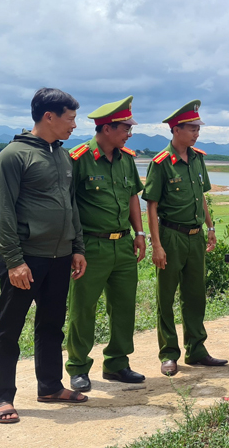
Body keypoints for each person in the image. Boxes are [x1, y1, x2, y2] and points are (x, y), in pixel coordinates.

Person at [0, 88, 88, 424]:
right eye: (70, 118)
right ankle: (1, 396)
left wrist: (77, 248)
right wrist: (14, 260)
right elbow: (3, 211)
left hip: (60, 257)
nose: (74, 125)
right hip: (26, 259)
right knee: (9, 327)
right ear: (49, 116)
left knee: (51, 324)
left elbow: (72, 206)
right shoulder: (13, 156)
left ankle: (49, 386)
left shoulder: (63, 155)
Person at [65, 96, 146, 392]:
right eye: (126, 128)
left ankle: (117, 363)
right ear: (107, 128)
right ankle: (77, 367)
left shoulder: (126, 159)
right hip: (90, 247)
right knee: (83, 308)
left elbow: (132, 197)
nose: (129, 133)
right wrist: (75, 248)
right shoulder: (78, 158)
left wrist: (140, 234)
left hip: (123, 245)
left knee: (124, 306)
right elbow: (68, 205)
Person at [142, 99, 227, 377]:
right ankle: (168, 354)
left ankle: (197, 350)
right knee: (166, 297)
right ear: (176, 129)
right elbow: (151, 205)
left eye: (198, 129)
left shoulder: (198, 158)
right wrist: (156, 244)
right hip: (171, 236)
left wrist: (210, 228)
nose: (196, 133)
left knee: (195, 295)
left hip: (195, 236)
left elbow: (201, 196)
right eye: (191, 128)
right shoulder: (161, 163)